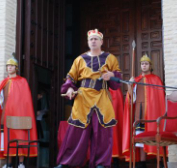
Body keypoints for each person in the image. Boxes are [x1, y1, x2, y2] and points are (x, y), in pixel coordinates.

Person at [55, 29, 121, 168]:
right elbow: (70, 78)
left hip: (102, 96)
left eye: (96, 39)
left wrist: (111, 75)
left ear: (101, 42)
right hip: (83, 98)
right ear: (88, 42)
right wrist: (70, 89)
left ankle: (101, 164)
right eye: (91, 39)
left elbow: (116, 82)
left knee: (102, 133)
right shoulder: (79, 60)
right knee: (75, 132)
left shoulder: (110, 58)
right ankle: (67, 163)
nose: (93, 41)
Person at [0, 54, 38, 167]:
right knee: (8, 138)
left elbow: (25, 101)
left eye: (12, 66)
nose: (9, 68)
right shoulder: (5, 82)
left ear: (16, 68)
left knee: (20, 138)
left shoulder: (23, 81)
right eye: (8, 66)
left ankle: (21, 163)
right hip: (7, 114)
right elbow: (1, 100)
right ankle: (9, 164)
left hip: (20, 115)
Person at [121, 54, 166, 164]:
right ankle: (141, 163)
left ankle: (158, 162)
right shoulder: (136, 80)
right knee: (140, 139)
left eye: (146, 64)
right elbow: (132, 99)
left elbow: (159, 100)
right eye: (142, 64)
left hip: (153, 114)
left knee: (154, 137)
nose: (144, 66)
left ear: (150, 66)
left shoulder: (156, 80)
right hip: (139, 112)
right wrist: (129, 86)